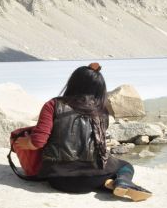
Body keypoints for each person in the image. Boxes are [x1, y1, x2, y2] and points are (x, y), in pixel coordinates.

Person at [13, 63, 151, 202]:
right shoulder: (101, 110)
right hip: (94, 179)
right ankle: (120, 181)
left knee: (82, 176)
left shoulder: (53, 105)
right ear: (99, 89)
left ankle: (111, 184)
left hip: (59, 180)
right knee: (126, 166)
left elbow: (37, 142)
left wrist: (25, 142)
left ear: (72, 83)